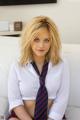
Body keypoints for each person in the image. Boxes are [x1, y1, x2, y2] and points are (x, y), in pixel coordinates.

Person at [7, 16, 70, 120]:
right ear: (29, 39)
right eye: (36, 39)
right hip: (22, 117)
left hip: (53, 118)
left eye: (46, 40)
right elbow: (15, 100)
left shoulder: (62, 64)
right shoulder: (17, 64)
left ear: (52, 42)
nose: (41, 45)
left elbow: (62, 99)